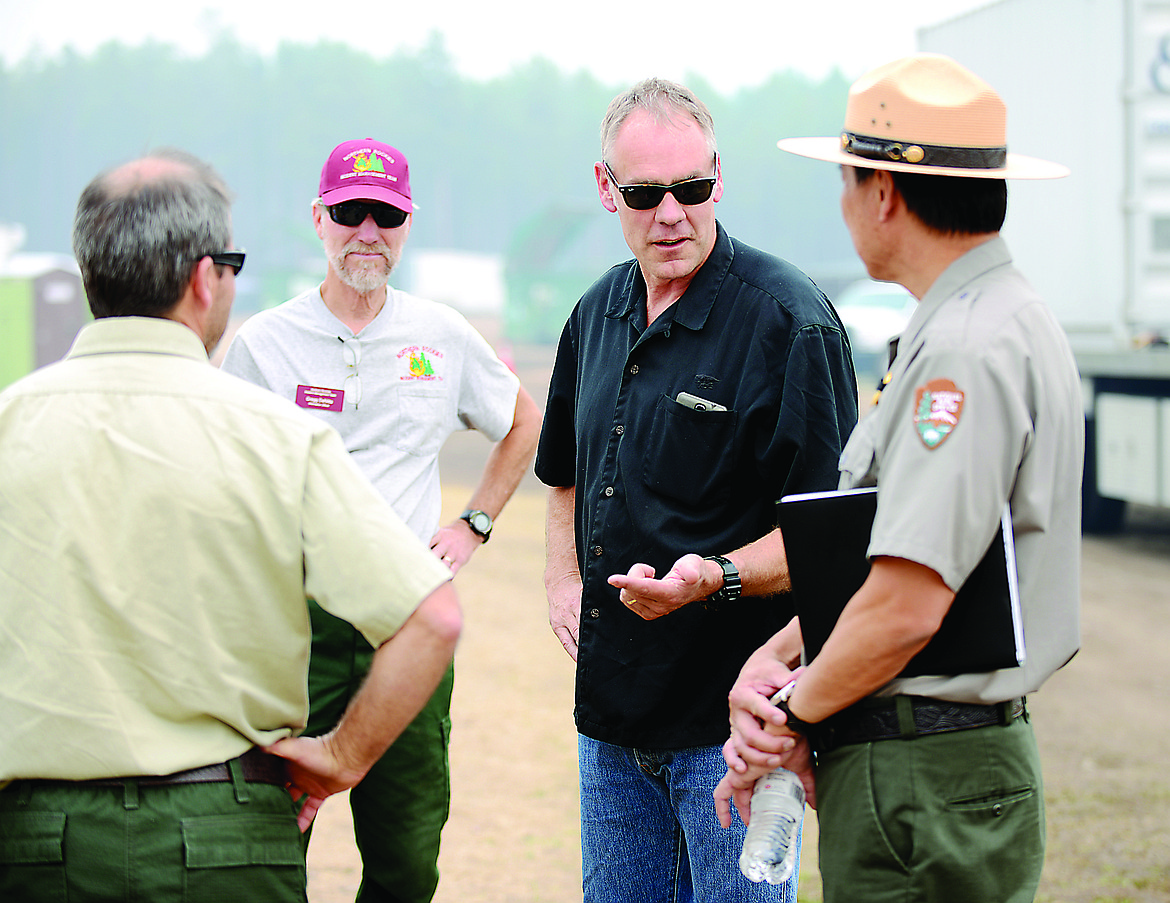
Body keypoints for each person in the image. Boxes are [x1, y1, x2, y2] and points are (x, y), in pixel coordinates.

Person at [0, 149, 461, 902]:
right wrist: (340, 757)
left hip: (34, 839)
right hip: (224, 833)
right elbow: (432, 618)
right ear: (203, 277)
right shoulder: (277, 434)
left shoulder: (9, 425)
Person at [714, 54, 1081, 903]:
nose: (843, 204)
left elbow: (910, 598)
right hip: (928, 765)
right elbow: (885, 560)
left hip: (923, 777)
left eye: (846, 179)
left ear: (883, 192)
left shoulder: (962, 350)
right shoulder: (988, 319)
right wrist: (779, 657)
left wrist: (794, 717)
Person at [535, 77, 858, 902]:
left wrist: (711, 574)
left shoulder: (791, 322)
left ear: (720, 174)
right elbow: (563, 468)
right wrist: (560, 578)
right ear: (605, 189)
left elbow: (831, 538)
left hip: (732, 730)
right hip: (609, 728)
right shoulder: (593, 312)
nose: (672, 212)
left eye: (693, 187)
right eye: (645, 193)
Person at [220, 137, 540, 903]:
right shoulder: (264, 344)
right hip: (296, 627)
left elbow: (524, 421)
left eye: (386, 213)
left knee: (405, 856)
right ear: (319, 219)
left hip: (408, 623)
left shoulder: (442, 333)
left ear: (406, 223)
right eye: (351, 211)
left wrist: (475, 523)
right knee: (267, 837)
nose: (368, 229)